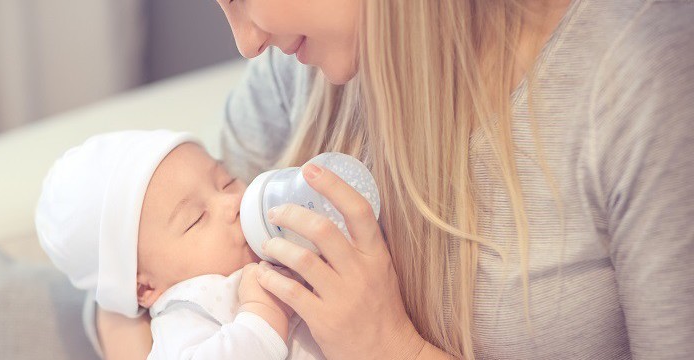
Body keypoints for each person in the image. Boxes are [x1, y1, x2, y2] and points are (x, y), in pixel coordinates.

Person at [95, 0, 694, 358]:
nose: (248, 43)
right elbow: (134, 266)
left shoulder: (641, 81)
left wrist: (386, 347)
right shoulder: (301, 73)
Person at [36, 130, 326, 359]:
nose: (232, 202)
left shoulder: (275, 238)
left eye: (226, 182)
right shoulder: (187, 310)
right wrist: (262, 316)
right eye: (195, 219)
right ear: (145, 288)